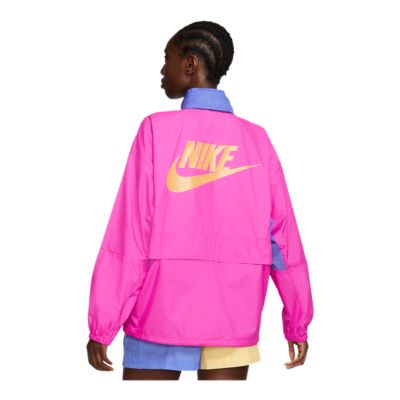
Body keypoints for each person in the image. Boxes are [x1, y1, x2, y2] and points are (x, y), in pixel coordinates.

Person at [86, 21, 314, 381]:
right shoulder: (257, 140)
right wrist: (297, 321)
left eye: (167, 59)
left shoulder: (156, 130)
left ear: (190, 64)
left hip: (159, 311)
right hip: (234, 313)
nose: (162, 70)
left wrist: (103, 324)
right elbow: (283, 242)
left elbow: (129, 235)